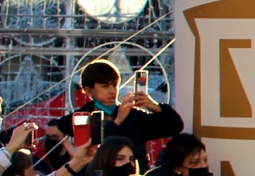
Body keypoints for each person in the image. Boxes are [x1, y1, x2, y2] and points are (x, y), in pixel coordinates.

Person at [52, 60, 184, 159]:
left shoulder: (132, 115)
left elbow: (175, 126)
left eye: (114, 85)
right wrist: (117, 121)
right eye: (105, 86)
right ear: (88, 90)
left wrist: (156, 107)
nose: (112, 91)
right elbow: (95, 144)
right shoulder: (81, 118)